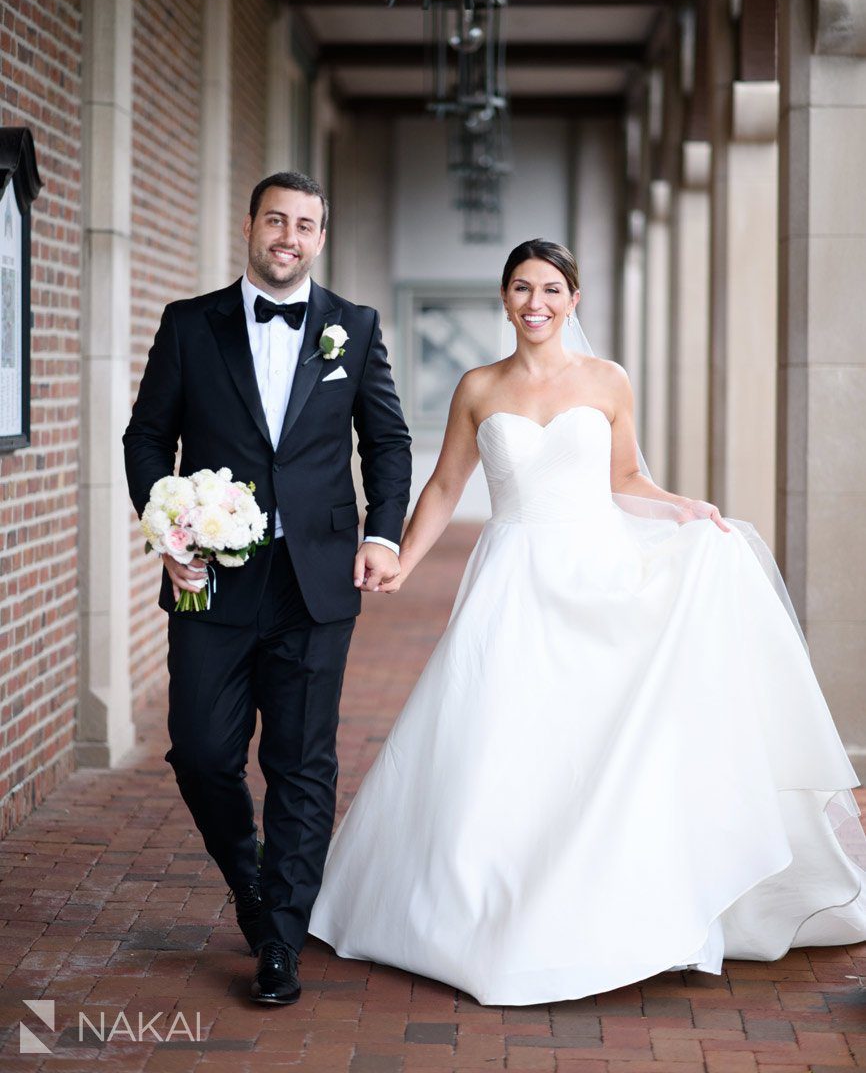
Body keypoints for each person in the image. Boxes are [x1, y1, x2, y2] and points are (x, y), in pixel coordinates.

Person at [309, 237, 866, 1007]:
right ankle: (484, 909)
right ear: (503, 299)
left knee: (599, 743)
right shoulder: (478, 387)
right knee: (498, 738)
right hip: (512, 579)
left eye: (551, 289)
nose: (535, 302)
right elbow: (443, 487)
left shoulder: (608, 381)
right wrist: (401, 557)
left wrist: (683, 509)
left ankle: (615, 903)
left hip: (598, 574)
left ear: (574, 299)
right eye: (520, 288)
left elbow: (626, 476)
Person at [123, 172, 411, 1007]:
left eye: (306, 224)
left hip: (316, 583)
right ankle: (248, 878)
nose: (289, 235)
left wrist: (383, 533)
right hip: (209, 576)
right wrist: (168, 532)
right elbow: (148, 437)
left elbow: (385, 443)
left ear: (322, 236)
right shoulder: (189, 324)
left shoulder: (353, 329)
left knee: (301, 762)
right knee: (203, 751)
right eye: (276, 219)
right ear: (250, 225)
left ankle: (279, 936)